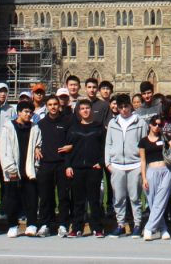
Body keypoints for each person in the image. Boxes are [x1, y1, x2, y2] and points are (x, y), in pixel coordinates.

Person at [106, 93, 148, 238]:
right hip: (117, 165)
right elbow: (108, 143)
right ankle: (120, 225)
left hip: (134, 164)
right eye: (121, 107)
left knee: (135, 197)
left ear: (131, 106)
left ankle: (137, 224)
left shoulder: (140, 122)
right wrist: (108, 162)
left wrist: (143, 163)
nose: (124, 110)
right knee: (118, 198)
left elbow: (144, 144)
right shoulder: (113, 123)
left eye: (126, 106)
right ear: (117, 108)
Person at [139, 115, 171, 241]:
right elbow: (143, 161)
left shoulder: (165, 137)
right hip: (151, 172)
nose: (157, 127)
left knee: (162, 199)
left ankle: (148, 228)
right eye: (155, 124)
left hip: (166, 171)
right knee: (153, 202)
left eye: (160, 125)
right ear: (150, 125)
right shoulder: (143, 141)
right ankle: (163, 228)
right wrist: (144, 178)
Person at [65, 99, 106, 238]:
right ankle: (77, 228)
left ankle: (97, 228)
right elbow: (68, 149)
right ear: (78, 111)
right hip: (77, 168)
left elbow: (105, 148)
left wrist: (101, 162)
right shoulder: (73, 128)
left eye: (87, 108)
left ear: (91, 110)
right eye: (82, 108)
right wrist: (68, 165)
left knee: (94, 200)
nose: (85, 110)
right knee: (78, 200)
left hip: (94, 168)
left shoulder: (99, 127)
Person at [35, 95, 74, 237]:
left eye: (55, 104)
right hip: (46, 164)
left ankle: (63, 224)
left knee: (63, 196)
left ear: (59, 106)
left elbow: (72, 141)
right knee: (45, 197)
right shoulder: (41, 123)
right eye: (50, 104)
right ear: (46, 106)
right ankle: (45, 224)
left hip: (62, 163)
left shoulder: (67, 121)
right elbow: (35, 141)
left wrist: (71, 146)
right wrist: (36, 148)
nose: (53, 107)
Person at [0, 101, 40, 238]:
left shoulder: (35, 128)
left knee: (32, 198)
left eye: (30, 112)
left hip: (29, 169)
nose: (28, 115)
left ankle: (32, 224)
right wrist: (10, 168)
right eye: (26, 112)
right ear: (19, 112)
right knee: (12, 199)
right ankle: (12, 225)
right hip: (13, 169)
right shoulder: (8, 127)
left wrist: (37, 149)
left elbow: (39, 144)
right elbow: (4, 150)